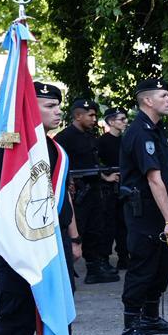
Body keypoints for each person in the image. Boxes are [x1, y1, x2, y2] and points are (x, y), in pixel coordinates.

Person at [0, 81, 105, 335]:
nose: (57, 111)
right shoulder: (9, 145)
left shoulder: (55, 149)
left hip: (53, 246)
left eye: (58, 105)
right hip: (20, 251)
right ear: (28, 108)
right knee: (15, 323)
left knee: (59, 313)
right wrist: (13, 244)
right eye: (48, 106)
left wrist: (74, 238)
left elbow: (61, 198)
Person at [118, 77, 168, 335]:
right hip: (143, 212)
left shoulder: (156, 130)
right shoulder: (140, 132)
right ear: (147, 100)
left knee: (161, 267)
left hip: (157, 210)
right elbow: (154, 179)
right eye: (163, 95)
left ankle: (150, 318)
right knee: (142, 268)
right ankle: (131, 328)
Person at [55, 97, 120, 285]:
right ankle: (65, 271)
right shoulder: (64, 137)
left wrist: (105, 177)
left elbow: (93, 164)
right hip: (77, 193)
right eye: (90, 115)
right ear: (78, 116)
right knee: (76, 231)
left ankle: (94, 268)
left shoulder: (89, 136)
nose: (94, 119)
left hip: (93, 190)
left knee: (95, 230)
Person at [97, 107, 129, 271]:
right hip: (108, 190)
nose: (125, 122)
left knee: (124, 223)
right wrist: (106, 177)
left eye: (125, 118)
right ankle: (103, 259)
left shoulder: (125, 140)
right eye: (121, 119)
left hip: (124, 187)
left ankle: (124, 257)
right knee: (108, 225)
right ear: (111, 121)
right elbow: (93, 163)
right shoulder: (102, 141)